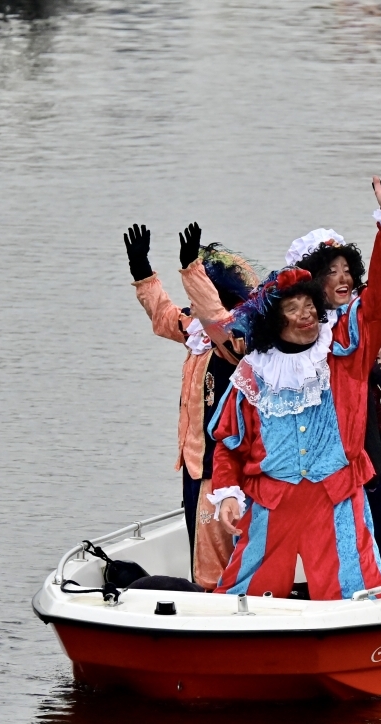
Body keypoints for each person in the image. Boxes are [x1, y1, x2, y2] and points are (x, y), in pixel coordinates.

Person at [208, 161, 381, 601]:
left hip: (337, 498)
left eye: (310, 306)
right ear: (276, 320)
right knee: (243, 598)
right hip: (270, 504)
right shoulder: (254, 372)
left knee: (356, 595)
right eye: (294, 309)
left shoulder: (343, 348)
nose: (306, 315)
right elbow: (230, 443)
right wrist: (228, 495)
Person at [123, 221, 258, 589]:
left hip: (222, 464)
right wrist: (142, 272)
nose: (193, 305)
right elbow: (165, 315)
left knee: (215, 558)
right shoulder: (196, 333)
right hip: (195, 464)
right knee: (202, 547)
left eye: (198, 292)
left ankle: (218, 603)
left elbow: (216, 316)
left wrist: (191, 269)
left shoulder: (236, 342)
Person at [298, 233, 381, 583]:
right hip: (301, 461)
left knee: (365, 547)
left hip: (353, 456)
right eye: (331, 270)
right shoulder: (289, 332)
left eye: (347, 270)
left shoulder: (357, 324)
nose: (344, 278)